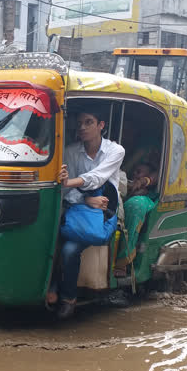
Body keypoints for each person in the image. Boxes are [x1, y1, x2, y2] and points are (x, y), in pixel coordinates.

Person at [47, 106, 125, 318]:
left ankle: (68, 299)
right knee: (46, 234)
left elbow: (98, 177)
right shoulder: (71, 151)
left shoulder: (115, 151)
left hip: (104, 213)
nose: (82, 127)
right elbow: (65, 192)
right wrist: (86, 198)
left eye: (88, 122)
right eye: (79, 123)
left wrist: (72, 182)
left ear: (101, 125)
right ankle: (49, 288)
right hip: (78, 209)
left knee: (70, 250)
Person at [115, 162, 159, 274]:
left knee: (135, 205)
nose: (135, 173)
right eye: (134, 171)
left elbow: (157, 176)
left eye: (139, 172)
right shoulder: (126, 181)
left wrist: (143, 182)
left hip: (142, 202)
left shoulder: (143, 198)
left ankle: (123, 262)